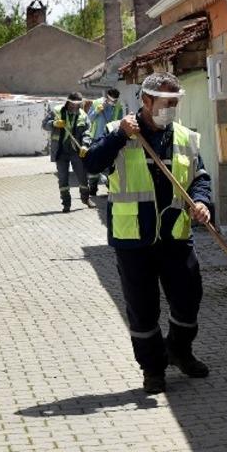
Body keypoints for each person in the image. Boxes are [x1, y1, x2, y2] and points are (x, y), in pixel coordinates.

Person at [83, 72, 213, 395]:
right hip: (133, 240)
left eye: (175, 102)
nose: (172, 108)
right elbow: (92, 164)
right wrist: (119, 138)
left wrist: (201, 202)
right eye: (166, 103)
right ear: (146, 101)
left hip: (175, 236)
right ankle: (153, 370)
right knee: (142, 309)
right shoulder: (118, 132)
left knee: (188, 298)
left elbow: (200, 177)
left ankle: (180, 351)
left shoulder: (184, 137)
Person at [41, 92, 92, 213]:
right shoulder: (57, 112)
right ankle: (66, 204)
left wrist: (85, 145)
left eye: (78, 104)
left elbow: (87, 132)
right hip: (60, 151)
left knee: (82, 176)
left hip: (76, 151)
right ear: (68, 102)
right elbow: (44, 125)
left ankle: (85, 198)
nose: (75, 107)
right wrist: (53, 123)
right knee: (63, 178)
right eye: (73, 104)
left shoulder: (83, 115)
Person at [85, 87, 126, 196]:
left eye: (115, 100)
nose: (114, 102)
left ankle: (110, 186)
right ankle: (93, 188)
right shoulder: (97, 103)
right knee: (94, 164)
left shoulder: (118, 106)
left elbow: (120, 122)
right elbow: (89, 119)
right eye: (112, 100)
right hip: (96, 138)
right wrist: (96, 111)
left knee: (109, 164)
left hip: (110, 139)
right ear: (107, 97)